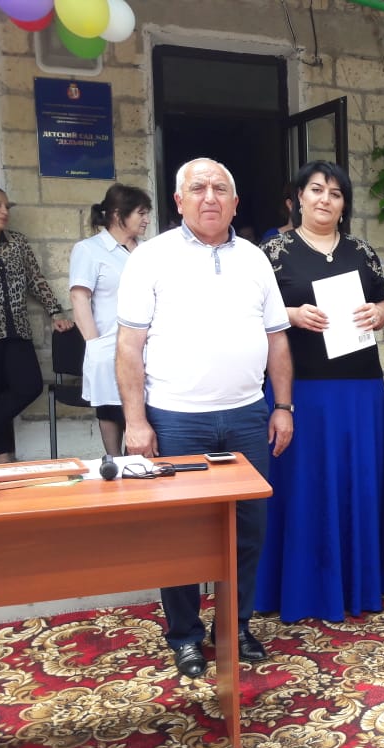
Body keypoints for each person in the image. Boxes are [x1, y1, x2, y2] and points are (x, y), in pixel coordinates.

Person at [116, 158, 294, 679]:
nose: (210, 197)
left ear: (235, 203)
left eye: (220, 188)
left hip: (247, 416)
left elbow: (277, 340)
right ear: (179, 201)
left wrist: (282, 406)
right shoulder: (151, 258)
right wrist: (135, 422)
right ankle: (186, 636)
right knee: (180, 534)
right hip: (176, 419)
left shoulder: (256, 259)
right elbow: (128, 346)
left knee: (248, 531)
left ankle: (234, 626)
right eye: (198, 188)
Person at [254, 160, 384, 623]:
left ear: (344, 204)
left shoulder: (362, 251)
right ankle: (299, 585)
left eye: (335, 193)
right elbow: (250, 310)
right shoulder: (271, 252)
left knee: (359, 483)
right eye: (316, 190)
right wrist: (292, 315)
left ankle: (361, 580)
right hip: (302, 389)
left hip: (360, 390)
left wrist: (381, 314)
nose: (325, 199)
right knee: (303, 488)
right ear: (298, 197)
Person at [0, 185, 73, 466]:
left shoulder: (16, 243)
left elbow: (35, 280)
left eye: (7, 206)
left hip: (16, 332)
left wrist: (55, 311)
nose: (4, 211)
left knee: (28, 386)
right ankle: (3, 460)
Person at [68, 183, 153, 455]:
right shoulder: (89, 249)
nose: (146, 220)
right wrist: (94, 344)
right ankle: (115, 466)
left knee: (145, 416)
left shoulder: (147, 251)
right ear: (118, 215)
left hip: (148, 347)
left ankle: (137, 470)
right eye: (141, 213)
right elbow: (79, 298)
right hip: (109, 346)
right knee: (111, 411)